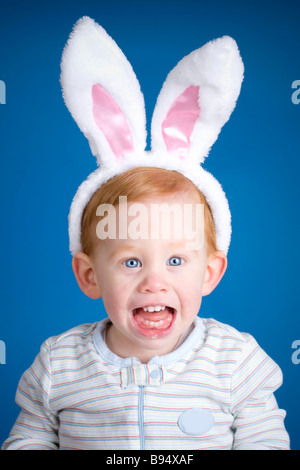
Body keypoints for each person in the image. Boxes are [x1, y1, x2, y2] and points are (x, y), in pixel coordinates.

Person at [2, 17, 290, 450]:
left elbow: (266, 442)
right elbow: (28, 441)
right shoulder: (58, 365)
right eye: (131, 262)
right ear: (89, 275)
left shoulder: (236, 362)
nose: (154, 281)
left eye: (176, 261)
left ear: (210, 272)